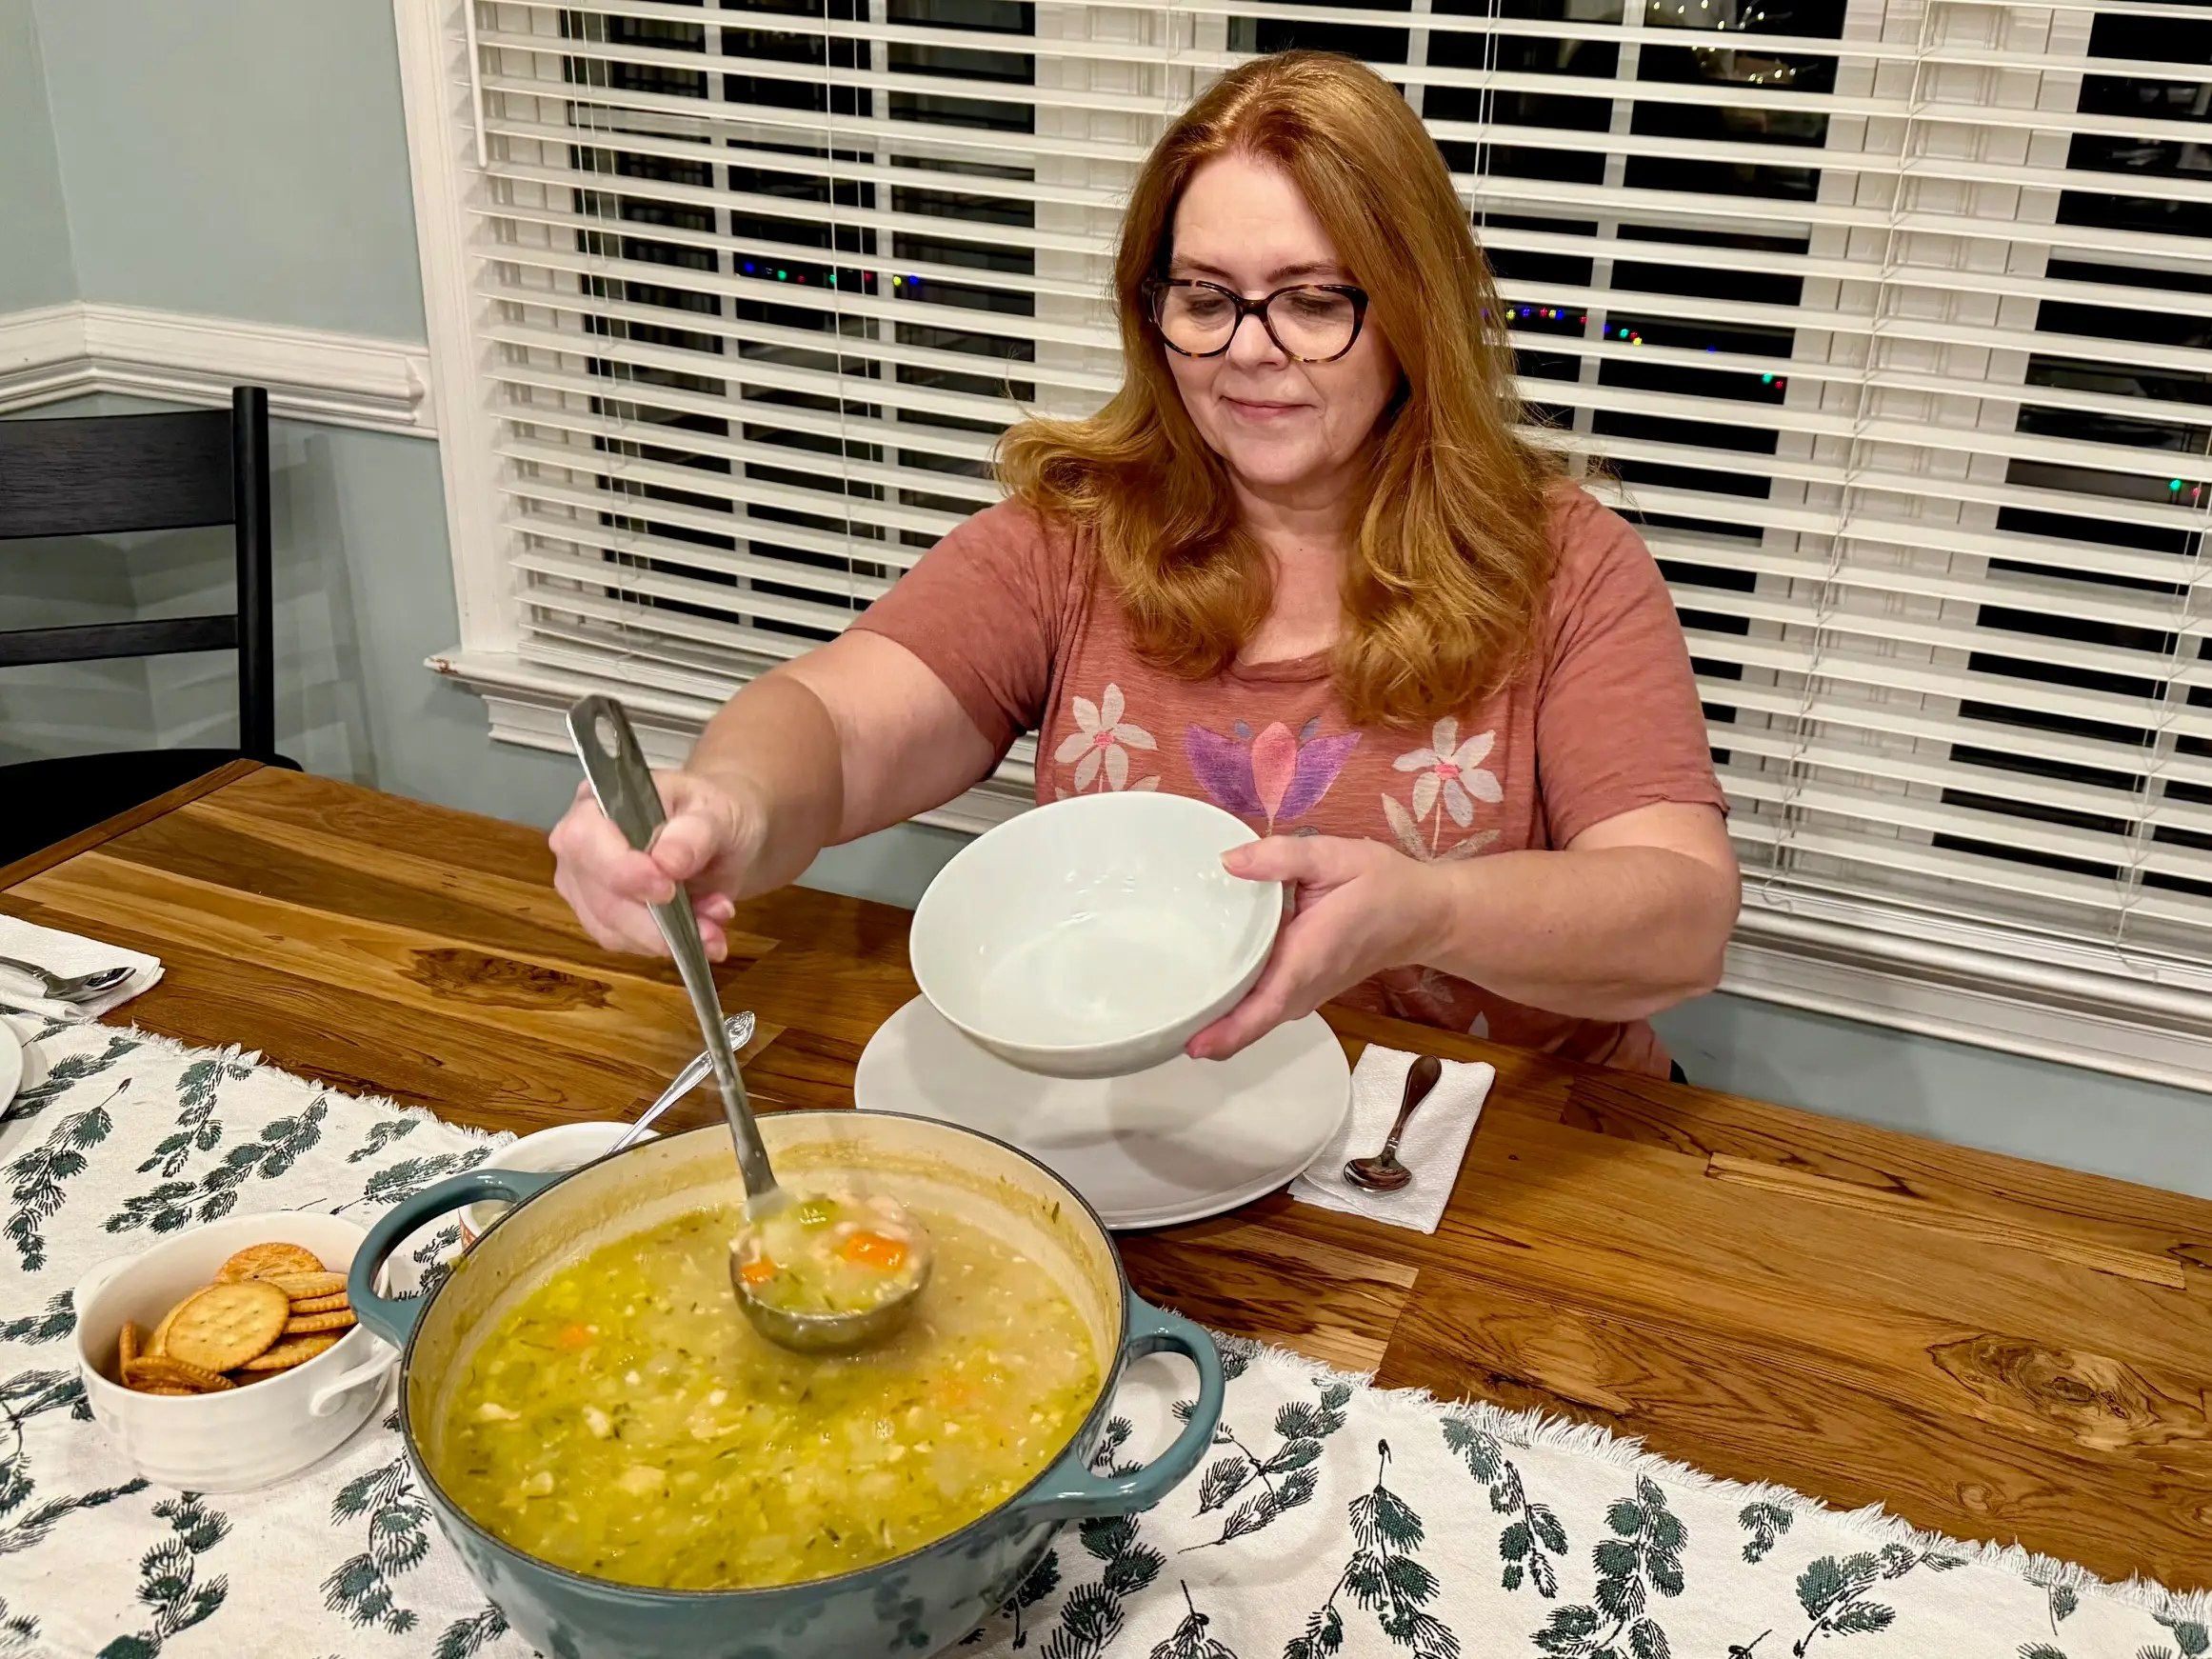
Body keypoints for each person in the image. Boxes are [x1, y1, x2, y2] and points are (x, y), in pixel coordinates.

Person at [549, 50, 1740, 1078]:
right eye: (1206, 298)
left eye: (1314, 300)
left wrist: (1428, 909)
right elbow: (836, 715)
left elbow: (1678, 921)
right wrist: (727, 803)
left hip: (1484, 1146)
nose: (1250, 352)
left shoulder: (1565, 563)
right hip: (1165, 1112)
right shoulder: (1077, 535)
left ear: (1412, 314)